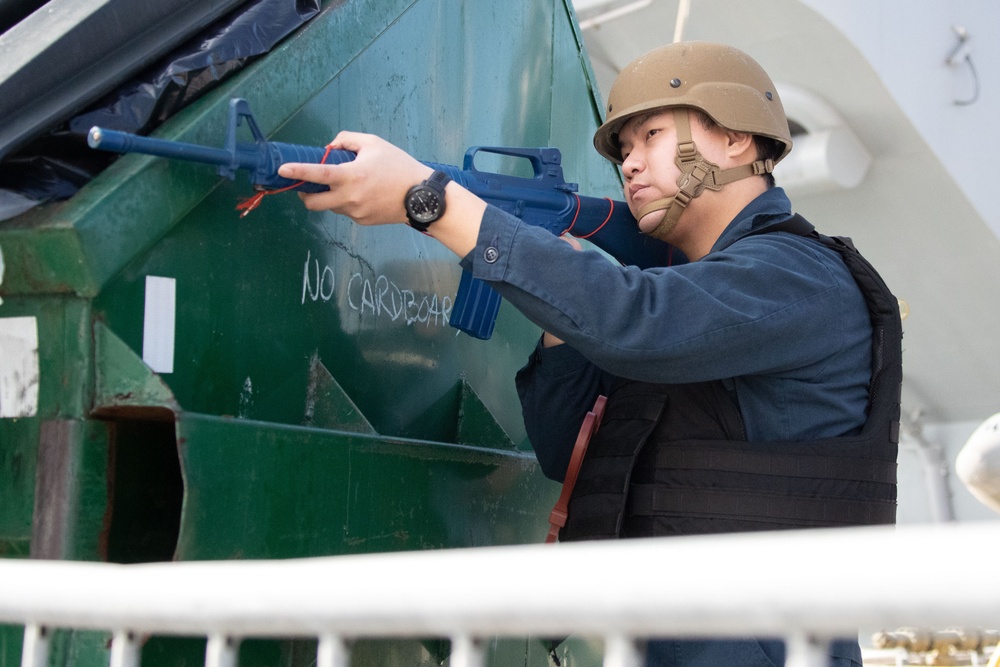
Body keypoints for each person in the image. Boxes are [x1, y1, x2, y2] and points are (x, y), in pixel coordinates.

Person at [278, 41, 902, 667]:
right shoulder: (686, 296)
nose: (630, 165)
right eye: (624, 151)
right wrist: (563, 316)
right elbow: (563, 447)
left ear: (736, 138)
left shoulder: (796, 275)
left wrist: (433, 202)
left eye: (652, 135)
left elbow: (635, 323)